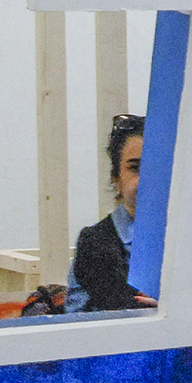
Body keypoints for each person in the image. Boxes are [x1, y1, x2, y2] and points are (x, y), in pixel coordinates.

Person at [65, 114, 157, 313]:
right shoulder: (94, 242)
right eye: (135, 168)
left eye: (157, 168)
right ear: (116, 178)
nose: (146, 179)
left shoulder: (191, 235)